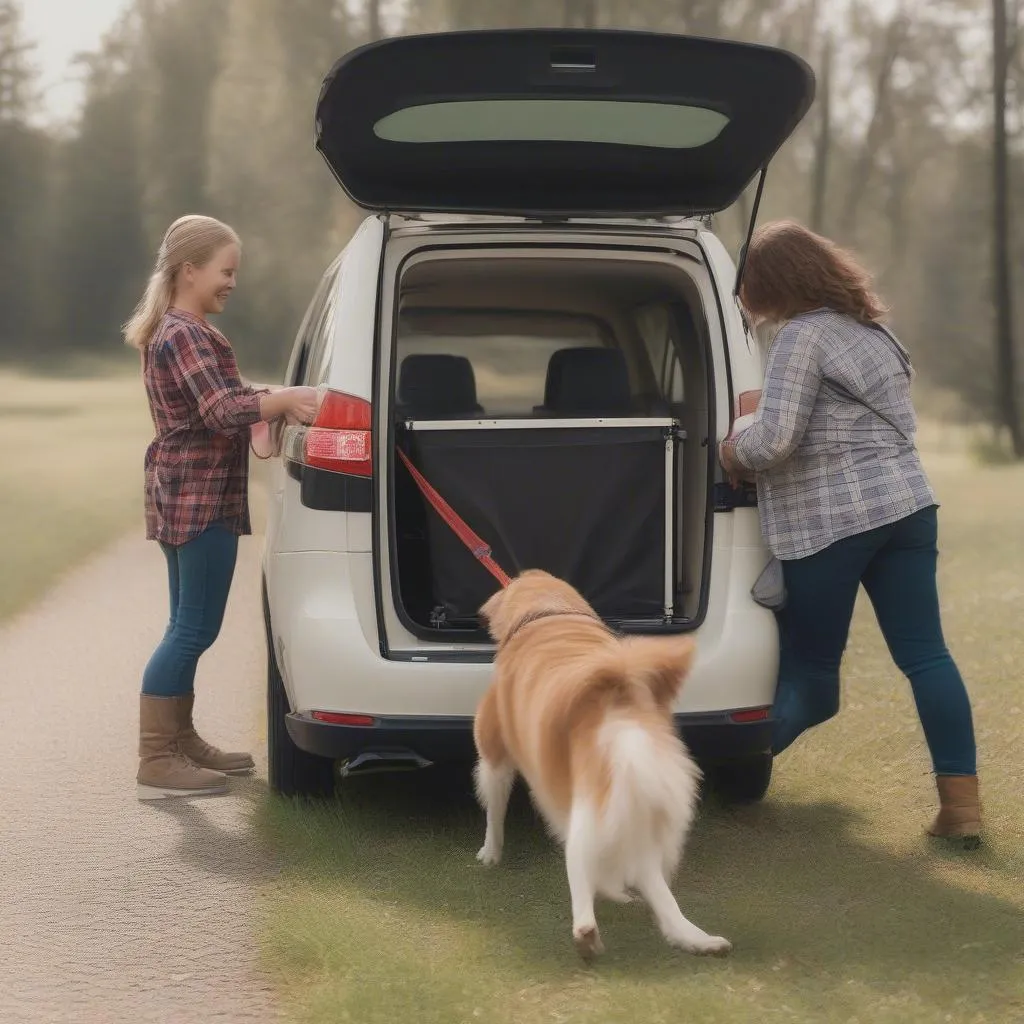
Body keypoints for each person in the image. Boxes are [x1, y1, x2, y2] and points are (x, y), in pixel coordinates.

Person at [719, 220, 981, 843]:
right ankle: (962, 810)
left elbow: (775, 444)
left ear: (775, 281)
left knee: (810, 676)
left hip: (832, 524)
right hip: (908, 509)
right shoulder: (874, 333)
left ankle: (698, 786)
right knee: (926, 656)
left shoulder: (799, 338)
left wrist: (732, 447)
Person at [123, 214, 319, 800]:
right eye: (225, 270)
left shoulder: (180, 330)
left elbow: (223, 395)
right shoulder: (187, 333)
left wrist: (266, 396)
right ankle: (157, 758)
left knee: (186, 625)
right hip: (198, 498)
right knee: (193, 629)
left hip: (183, 494)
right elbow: (221, 411)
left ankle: (179, 741)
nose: (233, 281)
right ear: (190, 270)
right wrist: (285, 398)